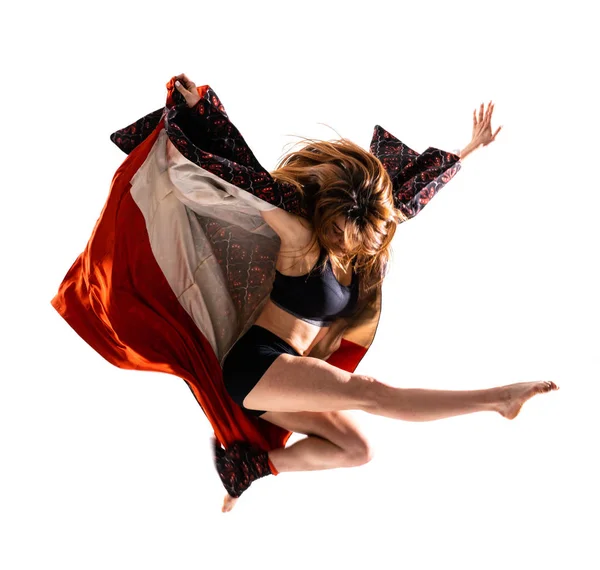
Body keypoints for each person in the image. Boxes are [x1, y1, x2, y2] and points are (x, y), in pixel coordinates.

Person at [171, 75, 559, 513]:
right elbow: (249, 179)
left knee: (356, 449)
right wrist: (202, 112)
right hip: (258, 363)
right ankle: (498, 399)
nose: (337, 236)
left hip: (282, 372)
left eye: (346, 232)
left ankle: (248, 469)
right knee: (371, 393)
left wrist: (469, 149)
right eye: (334, 225)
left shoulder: (358, 253)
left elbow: (407, 197)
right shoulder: (301, 238)